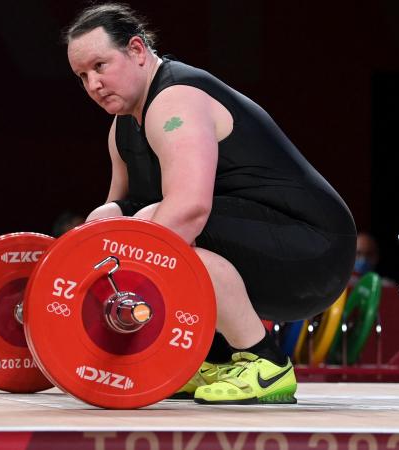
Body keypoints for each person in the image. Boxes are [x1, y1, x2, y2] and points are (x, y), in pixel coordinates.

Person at [64, 4, 356, 405]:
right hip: (256, 246)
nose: (93, 84)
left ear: (136, 50)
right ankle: (217, 361)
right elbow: (118, 221)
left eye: (100, 65)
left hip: (314, 248)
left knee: (161, 223)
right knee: (110, 221)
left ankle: (265, 362)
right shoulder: (120, 130)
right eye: (82, 76)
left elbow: (188, 211)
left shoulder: (175, 99)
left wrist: (130, 292)